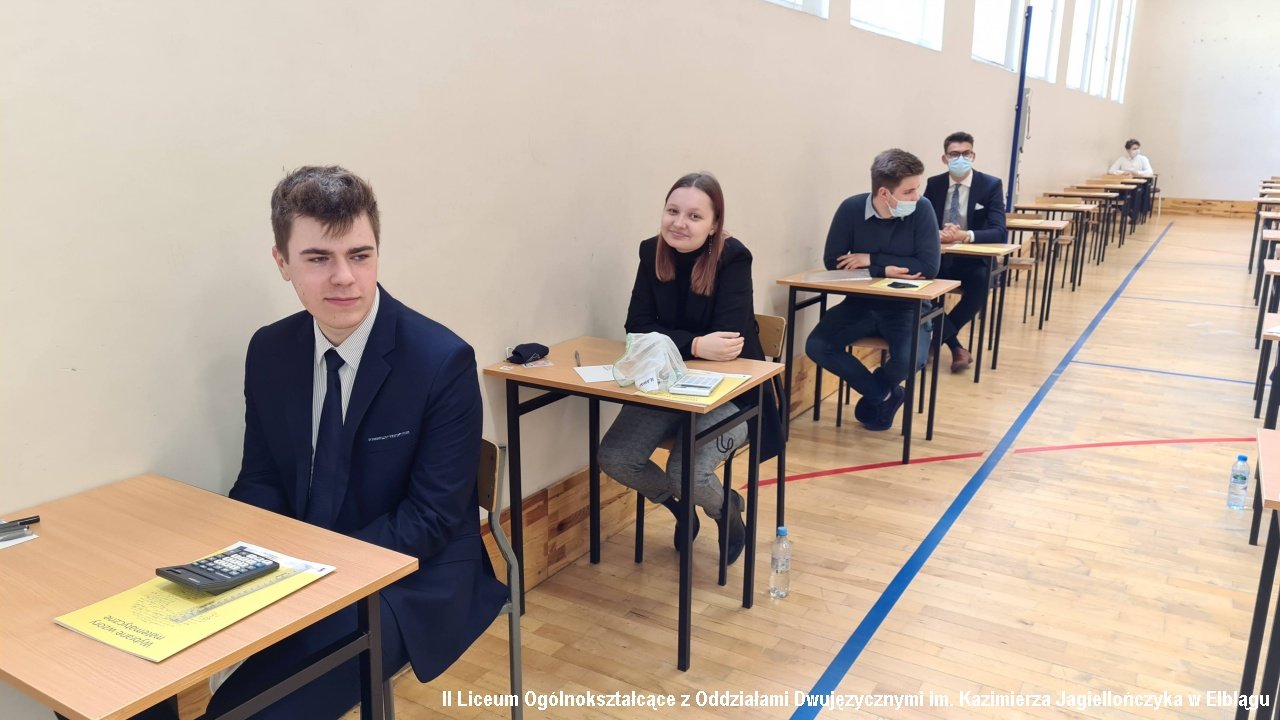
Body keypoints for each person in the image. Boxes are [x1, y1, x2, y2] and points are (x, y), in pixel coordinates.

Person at [166, 166, 506, 719]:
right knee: (114, 680)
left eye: (360, 255)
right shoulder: (270, 350)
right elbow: (262, 477)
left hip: (408, 576)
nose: (344, 277)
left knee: (244, 714)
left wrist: (317, 573)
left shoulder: (440, 360)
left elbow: (432, 518)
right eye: (318, 258)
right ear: (282, 263)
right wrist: (248, 558)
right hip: (300, 568)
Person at [598, 172, 781, 566]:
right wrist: (697, 345)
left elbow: (729, 342)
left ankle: (726, 509)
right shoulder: (651, 251)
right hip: (666, 380)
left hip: (732, 390)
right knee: (615, 457)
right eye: (673, 211)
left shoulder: (733, 257)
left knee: (687, 473)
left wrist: (670, 340)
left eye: (695, 216)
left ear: (714, 225)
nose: (679, 223)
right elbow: (637, 327)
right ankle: (681, 510)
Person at [805, 149, 940, 431]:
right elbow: (834, 261)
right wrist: (887, 268)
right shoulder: (851, 209)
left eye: (917, 188)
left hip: (907, 306)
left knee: (911, 359)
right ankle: (884, 394)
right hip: (860, 303)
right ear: (884, 193)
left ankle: (878, 390)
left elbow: (928, 267)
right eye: (909, 191)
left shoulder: (923, 209)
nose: (917, 197)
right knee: (817, 346)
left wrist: (873, 260)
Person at [923, 131, 1007, 373]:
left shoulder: (990, 185)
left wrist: (963, 235)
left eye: (965, 153)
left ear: (973, 156)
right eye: (954, 154)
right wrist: (938, 233)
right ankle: (956, 346)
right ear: (944, 158)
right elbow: (923, 222)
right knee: (922, 285)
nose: (960, 158)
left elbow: (999, 232)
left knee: (981, 284)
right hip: (940, 256)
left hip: (974, 258)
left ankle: (936, 342)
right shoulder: (934, 184)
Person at [1109, 138, 1154, 219]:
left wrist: (1138, 173)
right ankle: (1130, 213)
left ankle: (1135, 214)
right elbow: (1111, 171)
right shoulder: (1122, 159)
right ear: (1128, 150)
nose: (1137, 150)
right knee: (1116, 195)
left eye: (1138, 148)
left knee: (1137, 192)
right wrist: (1123, 172)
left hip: (1139, 185)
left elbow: (1150, 172)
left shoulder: (1143, 159)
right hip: (1124, 184)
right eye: (1134, 149)